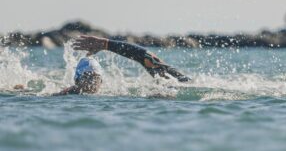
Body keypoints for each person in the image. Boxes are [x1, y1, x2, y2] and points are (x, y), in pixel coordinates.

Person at [53, 35, 190, 96]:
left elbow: (147, 58)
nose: (91, 82)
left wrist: (107, 44)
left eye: (95, 77)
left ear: (101, 81)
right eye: (87, 77)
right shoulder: (64, 96)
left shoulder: (180, 84)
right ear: (77, 81)